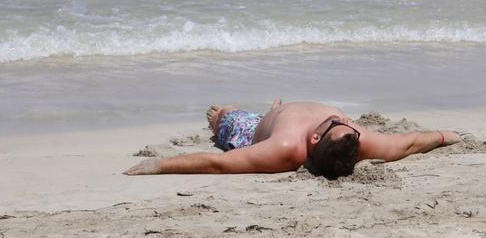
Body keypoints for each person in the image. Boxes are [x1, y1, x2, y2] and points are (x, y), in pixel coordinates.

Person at [124, 99, 461, 179]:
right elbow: (410, 143)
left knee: (223, 115)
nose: (344, 119)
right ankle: (275, 109)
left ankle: (250, 115)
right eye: (346, 124)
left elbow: (218, 163)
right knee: (272, 112)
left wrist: (158, 165)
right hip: (283, 120)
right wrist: (445, 135)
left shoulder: (286, 150)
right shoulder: (354, 139)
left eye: (337, 123)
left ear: (314, 139)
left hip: (255, 132)